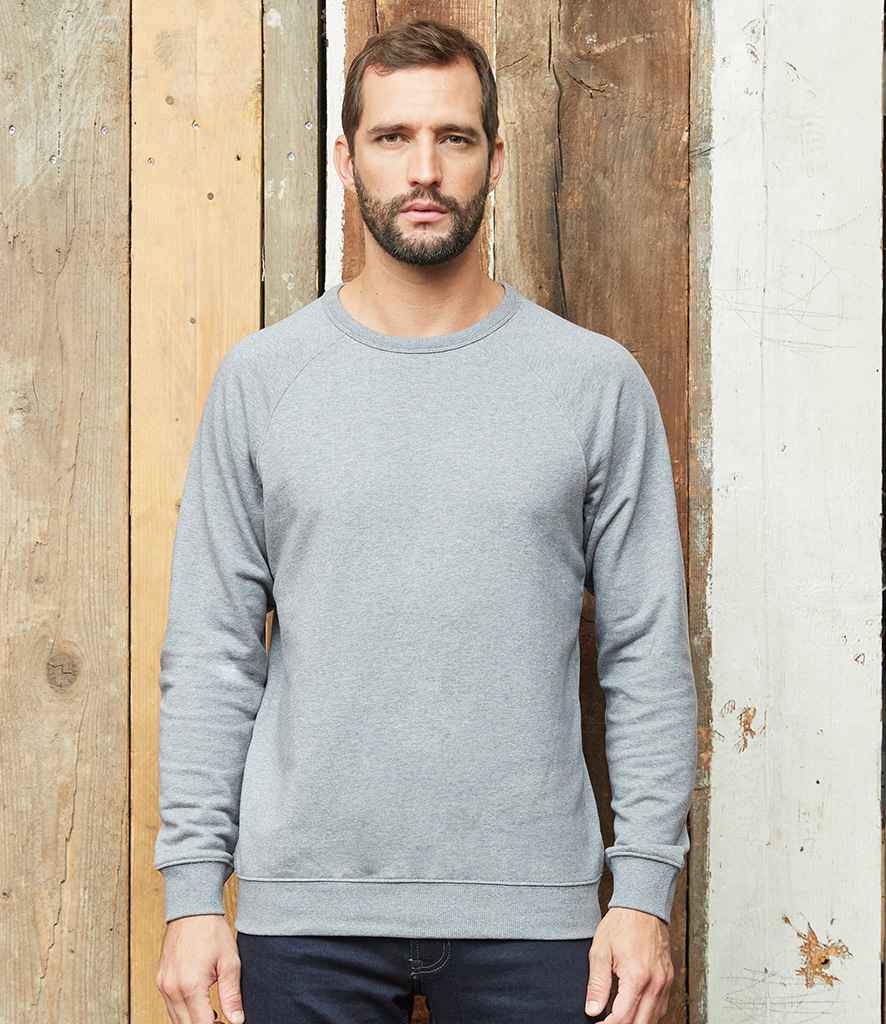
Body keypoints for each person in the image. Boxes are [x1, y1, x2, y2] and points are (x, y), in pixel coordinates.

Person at [153, 17, 697, 1024]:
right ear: (344, 158)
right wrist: (192, 893)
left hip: (538, 916)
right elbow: (213, 650)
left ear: (497, 157)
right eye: (392, 137)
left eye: (453, 137)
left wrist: (642, 891)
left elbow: (645, 652)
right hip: (304, 913)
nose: (424, 170)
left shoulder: (592, 383)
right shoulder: (264, 380)